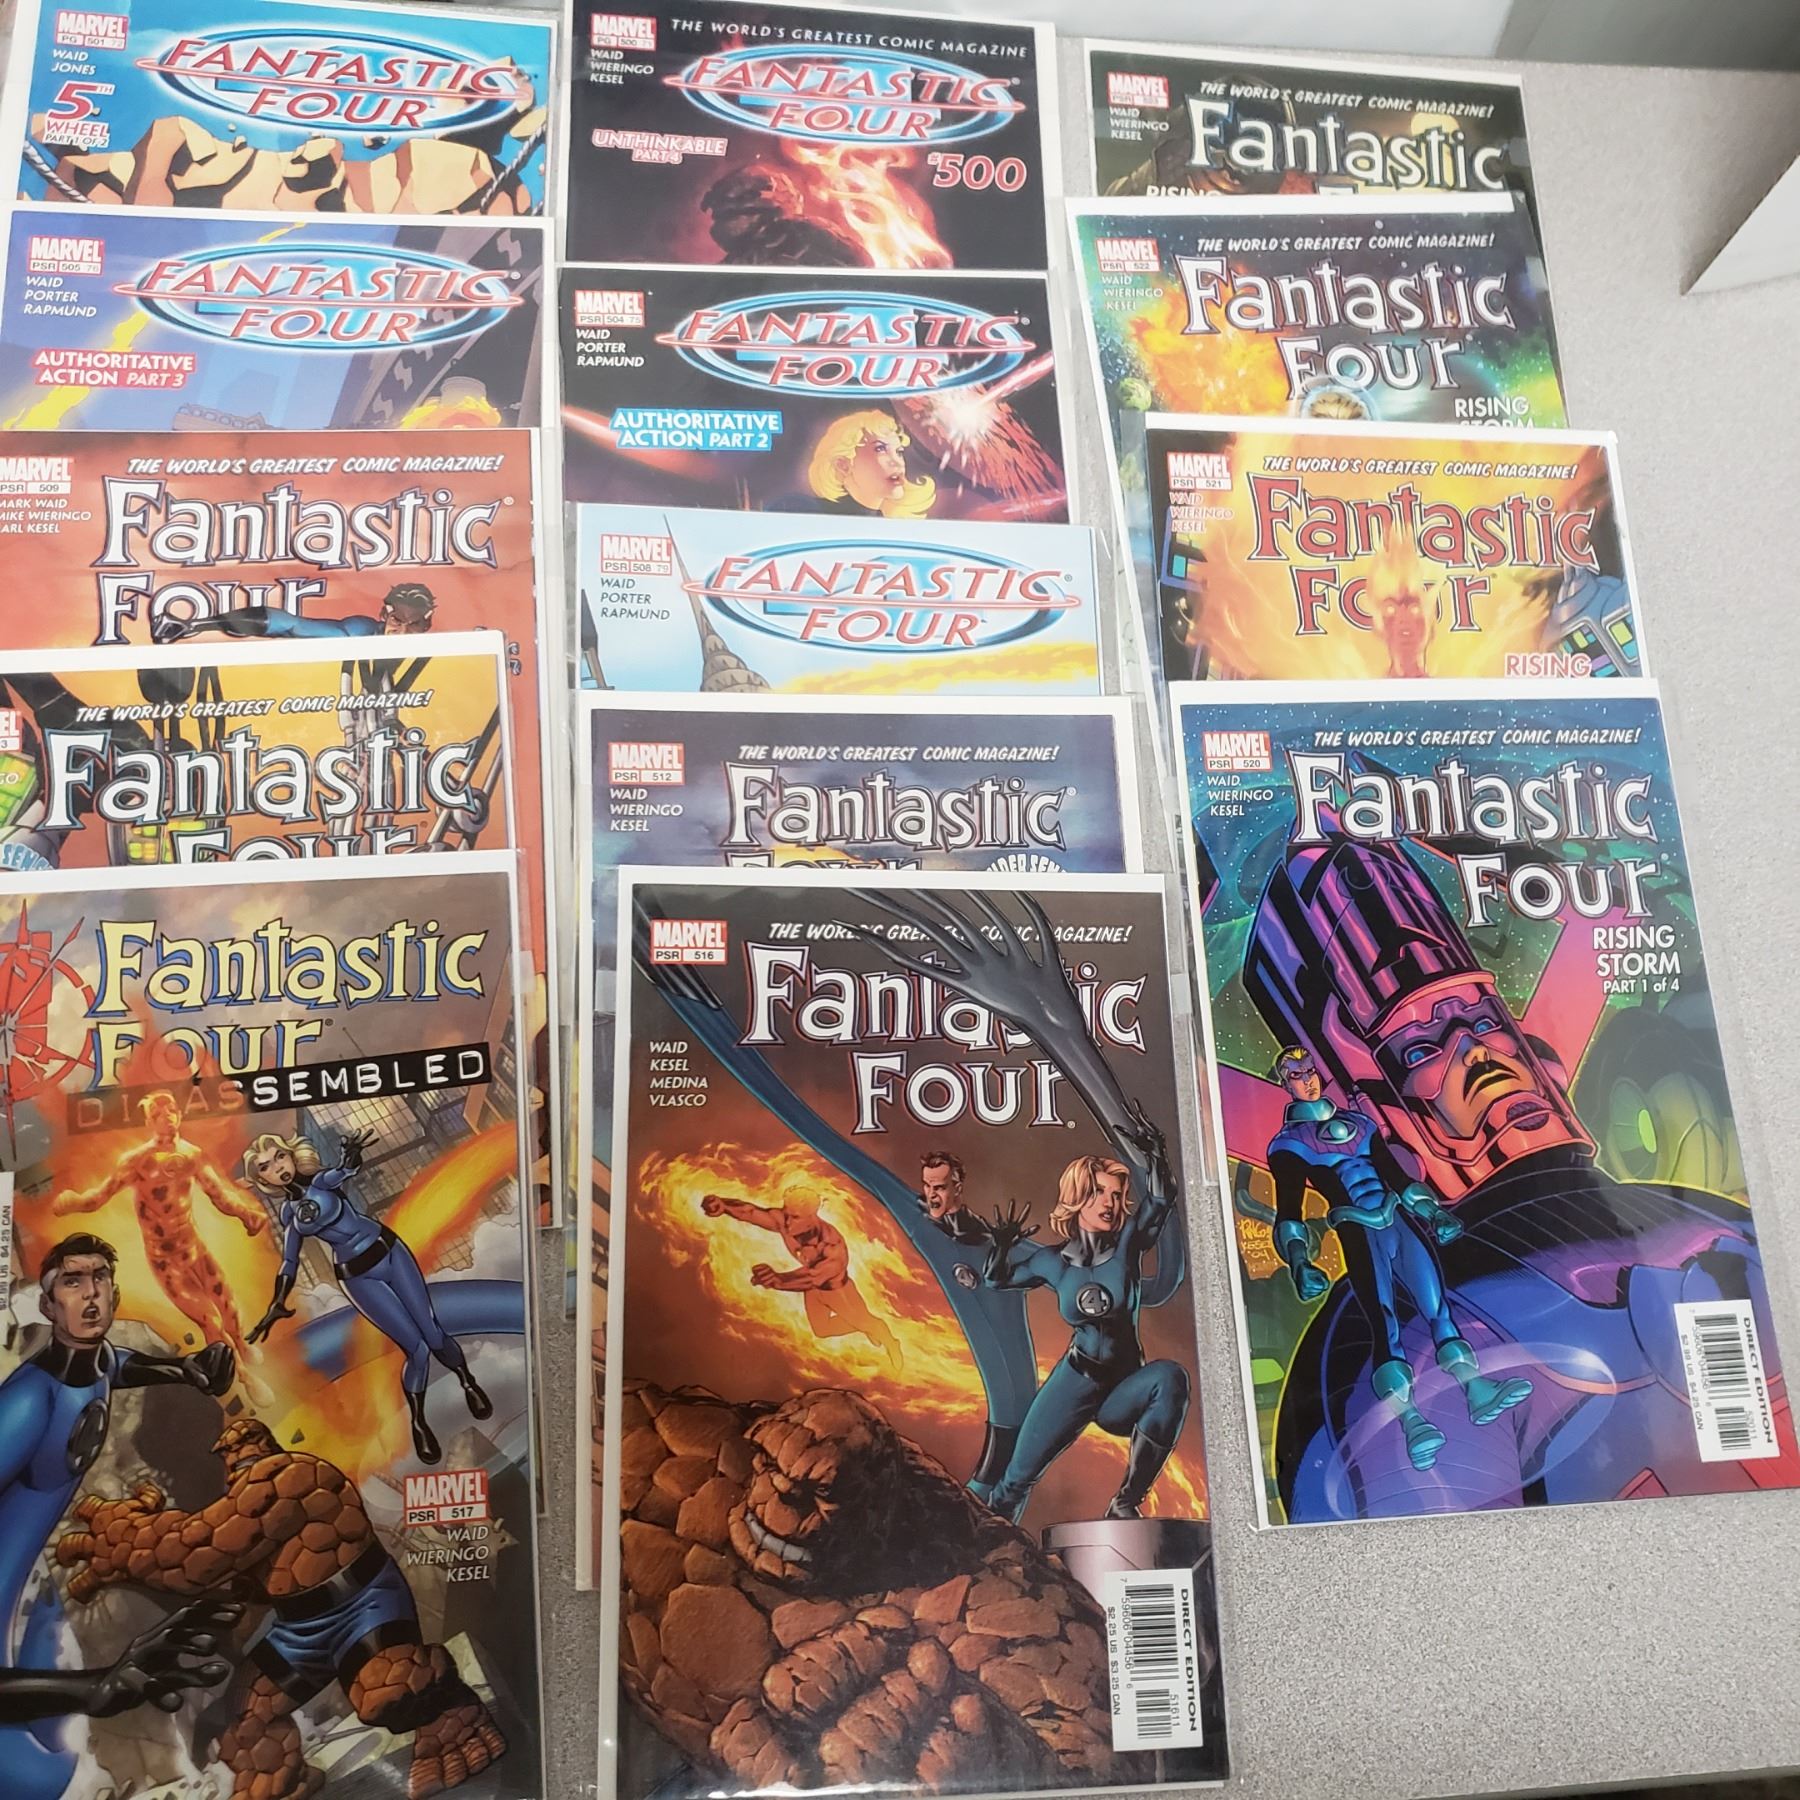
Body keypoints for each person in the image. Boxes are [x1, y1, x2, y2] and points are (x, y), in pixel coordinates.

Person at [0, 1234, 239, 1794]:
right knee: (36, 1779)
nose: (90, 1295)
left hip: (31, 1601)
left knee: (58, 1753)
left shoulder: (95, 1363)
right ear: (47, 1303)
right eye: (72, 1281)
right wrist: (95, 1688)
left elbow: (118, 1366)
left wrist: (184, 1370)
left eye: (99, 1279)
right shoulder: (30, 1402)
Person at [1265, 1046, 1532, 1471]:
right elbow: (1290, 1212)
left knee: (1437, 1309)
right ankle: (1412, 1425)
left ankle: (1478, 1391)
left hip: (1398, 1220)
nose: (1307, 1079)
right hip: (1358, 1231)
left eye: (1309, 1070)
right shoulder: (1289, 1145)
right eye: (1295, 1074)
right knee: (1385, 1324)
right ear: (1285, 1083)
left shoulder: (1360, 1123)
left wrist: (1434, 1213)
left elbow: (1397, 1177)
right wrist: (1299, 1263)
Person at [980, 1109, 1189, 1522]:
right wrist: (1001, 1247)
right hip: (1074, 1381)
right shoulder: (1051, 1261)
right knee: (1013, 1482)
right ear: (1077, 1195)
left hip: (1122, 1389)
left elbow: (1161, 1201)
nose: (1110, 1203)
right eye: (1098, 1192)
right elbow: (996, 1280)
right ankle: (985, 1545)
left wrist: (1157, 1157)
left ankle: (1125, 1501)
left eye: (1116, 1194)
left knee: (1170, 1378)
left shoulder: (1128, 1244)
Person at [240, 1129, 490, 1465]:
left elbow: (345, 1170)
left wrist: (351, 1155)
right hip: (358, 1277)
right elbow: (289, 1260)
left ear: (290, 1154)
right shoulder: (290, 1215)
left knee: (432, 1332)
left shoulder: (322, 1181)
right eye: (266, 1167)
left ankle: (468, 1381)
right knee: (416, 1349)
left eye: (279, 1157)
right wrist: (276, 1303)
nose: (277, 1167)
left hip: (390, 1252)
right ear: (262, 1179)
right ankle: (418, 1421)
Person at [54, 1092, 267, 1366]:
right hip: (165, 1260)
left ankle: (242, 1347)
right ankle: (243, 1378)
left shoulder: (192, 1155)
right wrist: (72, 1202)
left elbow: (220, 1195)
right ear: (149, 1122)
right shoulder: (137, 1161)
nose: (166, 1118)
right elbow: (98, 1197)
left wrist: (246, 1214)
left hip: (194, 1249)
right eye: (157, 1114)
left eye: (171, 1111)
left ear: (179, 1114)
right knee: (210, 1320)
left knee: (228, 1306)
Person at [702, 1182, 903, 1368]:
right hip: (812, 1290)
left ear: (811, 1217)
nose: (788, 1222)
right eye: (787, 1214)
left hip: (837, 1290)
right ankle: (863, 1325)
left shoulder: (831, 1245)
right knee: (822, 1330)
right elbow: (750, 1212)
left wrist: (778, 1280)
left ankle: (890, 1342)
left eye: (796, 1217)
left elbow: (812, 1277)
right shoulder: (785, 1222)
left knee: (866, 1322)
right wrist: (724, 1205)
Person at [152, 582, 437, 642]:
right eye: (397, 621)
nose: (402, 632)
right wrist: (198, 625)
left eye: (413, 626)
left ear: (426, 625)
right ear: (384, 614)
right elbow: (291, 625)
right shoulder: (359, 632)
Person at [804, 411, 935, 518]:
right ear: (843, 465)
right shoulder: (809, 512)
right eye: (880, 449)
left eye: (899, 452)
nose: (897, 462)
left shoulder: (893, 524)